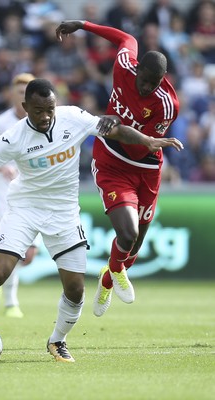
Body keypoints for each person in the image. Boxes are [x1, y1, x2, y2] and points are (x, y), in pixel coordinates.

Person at [0, 78, 183, 363]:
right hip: (25, 208)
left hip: (64, 213)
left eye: (50, 109)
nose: (45, 117)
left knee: (76, 289)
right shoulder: (12, 137)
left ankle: (57, 341)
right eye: (38, 110)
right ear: (25, 107)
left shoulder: (73, 118)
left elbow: (115, 131)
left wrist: (147, 140)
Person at [56, 21, 180, 317]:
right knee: (127, 233)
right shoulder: (125, 64)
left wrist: (116, 122)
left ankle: (108, 278)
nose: (149, 87)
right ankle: (115, 270)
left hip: (146, 167)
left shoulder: (167, 104)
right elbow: (125, 36)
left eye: (156, 82)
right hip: (112, 160)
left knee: (134, 246)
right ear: (138, 70)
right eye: (146, 80)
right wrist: (82, 25)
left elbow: (143, 145)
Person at [0, 72, 38, 318]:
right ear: (12, 94)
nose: (22, 95)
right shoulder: (0, 122)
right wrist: (1, 165)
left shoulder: (42, 120)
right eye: (19, 91)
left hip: (32, 188)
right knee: (9, 246)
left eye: (27, 91)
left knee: (27, 256)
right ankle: (10, 303)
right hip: (4, 188)